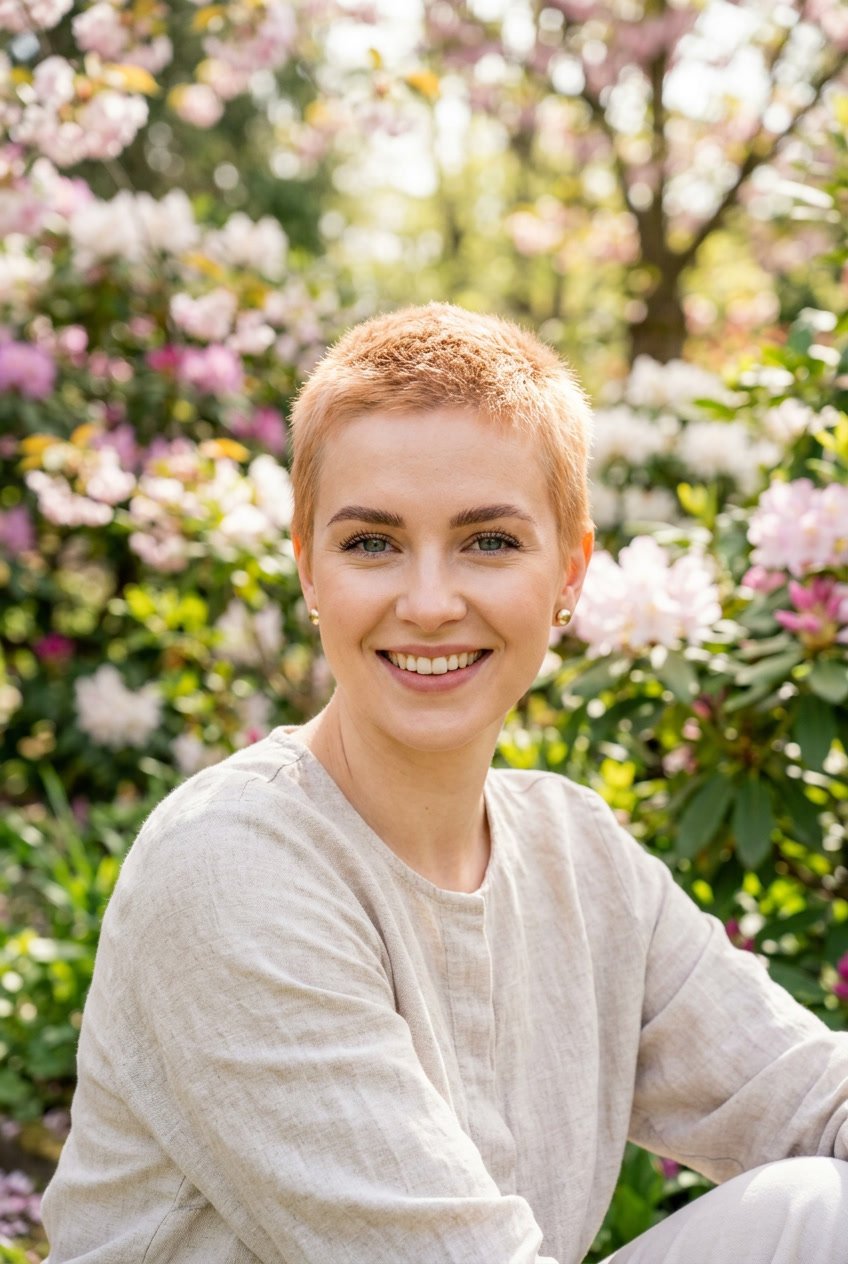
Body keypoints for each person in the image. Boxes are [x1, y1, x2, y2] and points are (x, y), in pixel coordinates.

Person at [42, 304, 848, 1263]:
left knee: (817, 1209)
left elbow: (808, 1098)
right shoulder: (227, 868)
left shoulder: (577, 854)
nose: (428, 603)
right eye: (372, 543)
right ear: (308, 566)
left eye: (491, 542)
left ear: (571, 573)